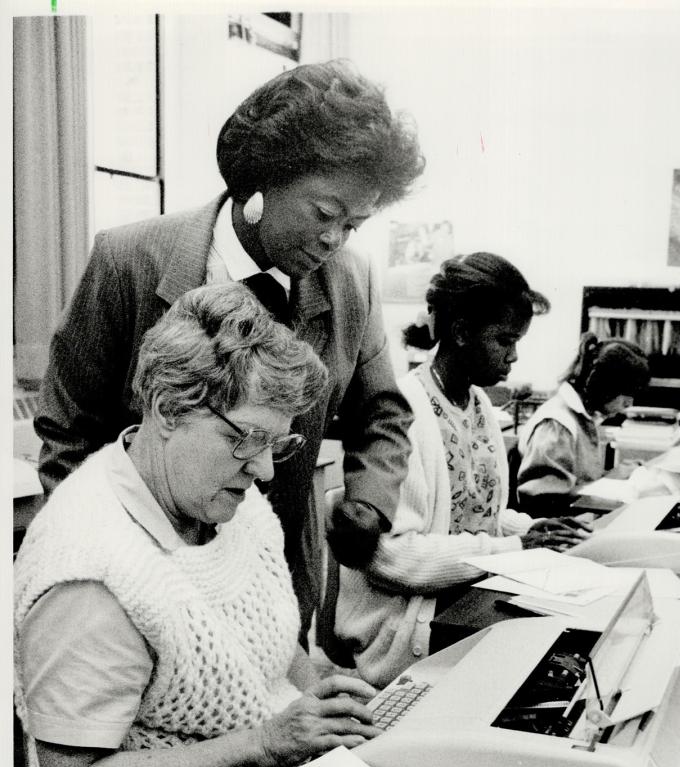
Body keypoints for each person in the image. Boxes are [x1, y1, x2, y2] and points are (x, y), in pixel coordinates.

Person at [34, 59, 426, 638]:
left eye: (354, 225)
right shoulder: (128, 262)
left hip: (274, 590)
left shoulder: (350, 281)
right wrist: (100, 560)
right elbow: (69, 429)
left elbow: (383, 414)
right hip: (141, 579)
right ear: (258, 181)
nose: (334, 239)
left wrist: (369, 501)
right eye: (324, 213)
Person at [15, 283, 380, 767]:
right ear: (167, 408)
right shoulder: (91, 572)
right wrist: (263, 745)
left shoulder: (225, 501)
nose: (263, 469)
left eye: (275, 444)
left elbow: (261, 645)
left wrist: (323, 690)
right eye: (245, 439)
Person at [334, 253, 591, 689]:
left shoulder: (480, 406)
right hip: (404, 631)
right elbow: (391, 557)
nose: (513, 356)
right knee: (551, 665)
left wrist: (532, 530)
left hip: (460, 598)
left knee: (571, 641)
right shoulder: (406, 412)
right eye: (504, 340)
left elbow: (473, 512)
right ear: (460, 332)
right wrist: (512, 548)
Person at [517, 332, 651, 517]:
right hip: (553, 530)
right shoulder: (557, 424)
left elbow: (575, 482)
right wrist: (610, 480)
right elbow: (543, 499)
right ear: (604, 385)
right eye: (626, 393)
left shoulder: (582, 417)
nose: (630, 404)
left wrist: (611, 476)